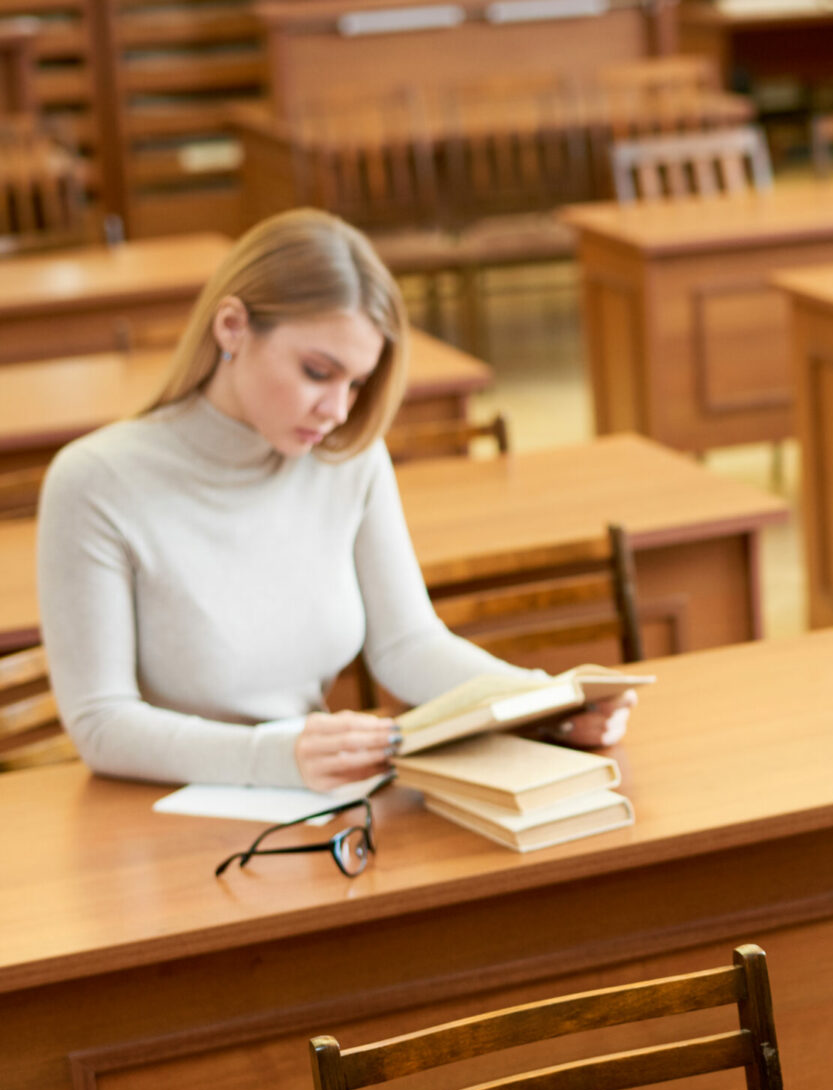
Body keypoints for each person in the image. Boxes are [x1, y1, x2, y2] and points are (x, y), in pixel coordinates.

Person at [37, 208, 634, 791]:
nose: (339, 410)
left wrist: (543, 701)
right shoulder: (94, 481)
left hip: (319, 806)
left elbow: (407, 645)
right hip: (164, 822)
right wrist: (273, 755)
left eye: (356, 383)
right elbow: (100, 724)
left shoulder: (350, 458)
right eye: (318, 372)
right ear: (232, 328)